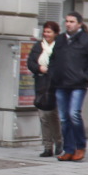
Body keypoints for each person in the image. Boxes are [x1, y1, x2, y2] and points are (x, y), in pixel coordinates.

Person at [51, 11, 88, 162]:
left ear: (79, 24)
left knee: (74, 115)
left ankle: (80, 147)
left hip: (78, 85)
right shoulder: (60, 40)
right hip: (61, 84)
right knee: (64, 118)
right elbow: (53, 59)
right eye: (66, 21)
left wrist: (84, 77)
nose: (68, 24)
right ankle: (68, 149)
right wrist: (54, 74)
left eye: (72, 21)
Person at [26, 21, 62, 157]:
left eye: (49, 32)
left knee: (53, 115)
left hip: (55, 85)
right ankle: (47, 146)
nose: (46, 34)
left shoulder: (60, 47)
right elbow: (30, 62)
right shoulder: (38, 46)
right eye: (45, 31)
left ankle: (59, 142)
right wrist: (39, 68)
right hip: (41, 84)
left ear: (56, 33)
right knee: (43, 116)